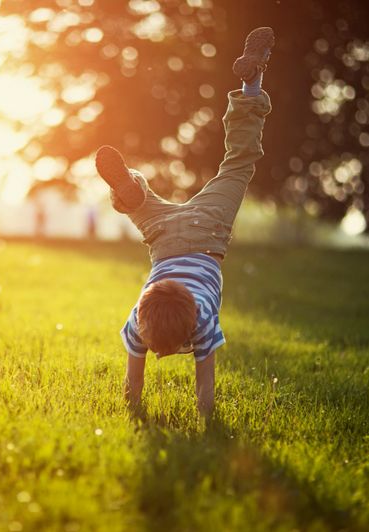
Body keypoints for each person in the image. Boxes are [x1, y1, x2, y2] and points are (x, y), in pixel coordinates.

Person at [95, 27, 274, 418]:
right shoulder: (143, 319)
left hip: (205, 230)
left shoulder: (189, 321)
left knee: (238, 164)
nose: (157, 354)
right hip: (164, 236)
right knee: (228, 165)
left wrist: (135, 413)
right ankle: (132, 193)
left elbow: (136, 386)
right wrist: (202, 418)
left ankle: (131, 190)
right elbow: (203, 390)